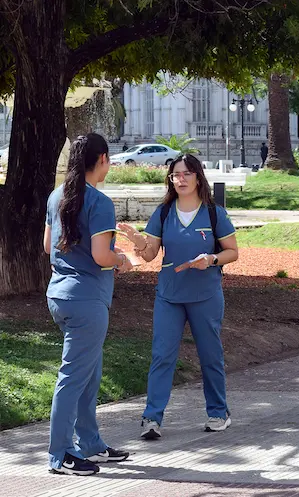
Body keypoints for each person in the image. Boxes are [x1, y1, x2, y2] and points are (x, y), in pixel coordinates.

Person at [117, 154, 239, 439]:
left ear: (198, 177)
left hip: (206, 296)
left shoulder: (214, 213)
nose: (180, 179)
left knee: (210, 356)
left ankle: (218, 413)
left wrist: (210, 259)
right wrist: (136, 239)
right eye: (175, 175)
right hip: (169, 296)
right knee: (162, 355)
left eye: (186, 174)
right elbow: (148, 255)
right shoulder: (162, 212)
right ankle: (152, 418)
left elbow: (232, 252)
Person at [43, 133, 132, 476]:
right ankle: (61, 453)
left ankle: (91, 444)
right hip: (87, 300)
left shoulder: (56, 196)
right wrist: (120, 258)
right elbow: (100, 255)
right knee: (72, 376)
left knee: (88, 375)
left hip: (60, 295)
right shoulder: (100, 202)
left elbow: (48, 246)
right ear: (103, 160)